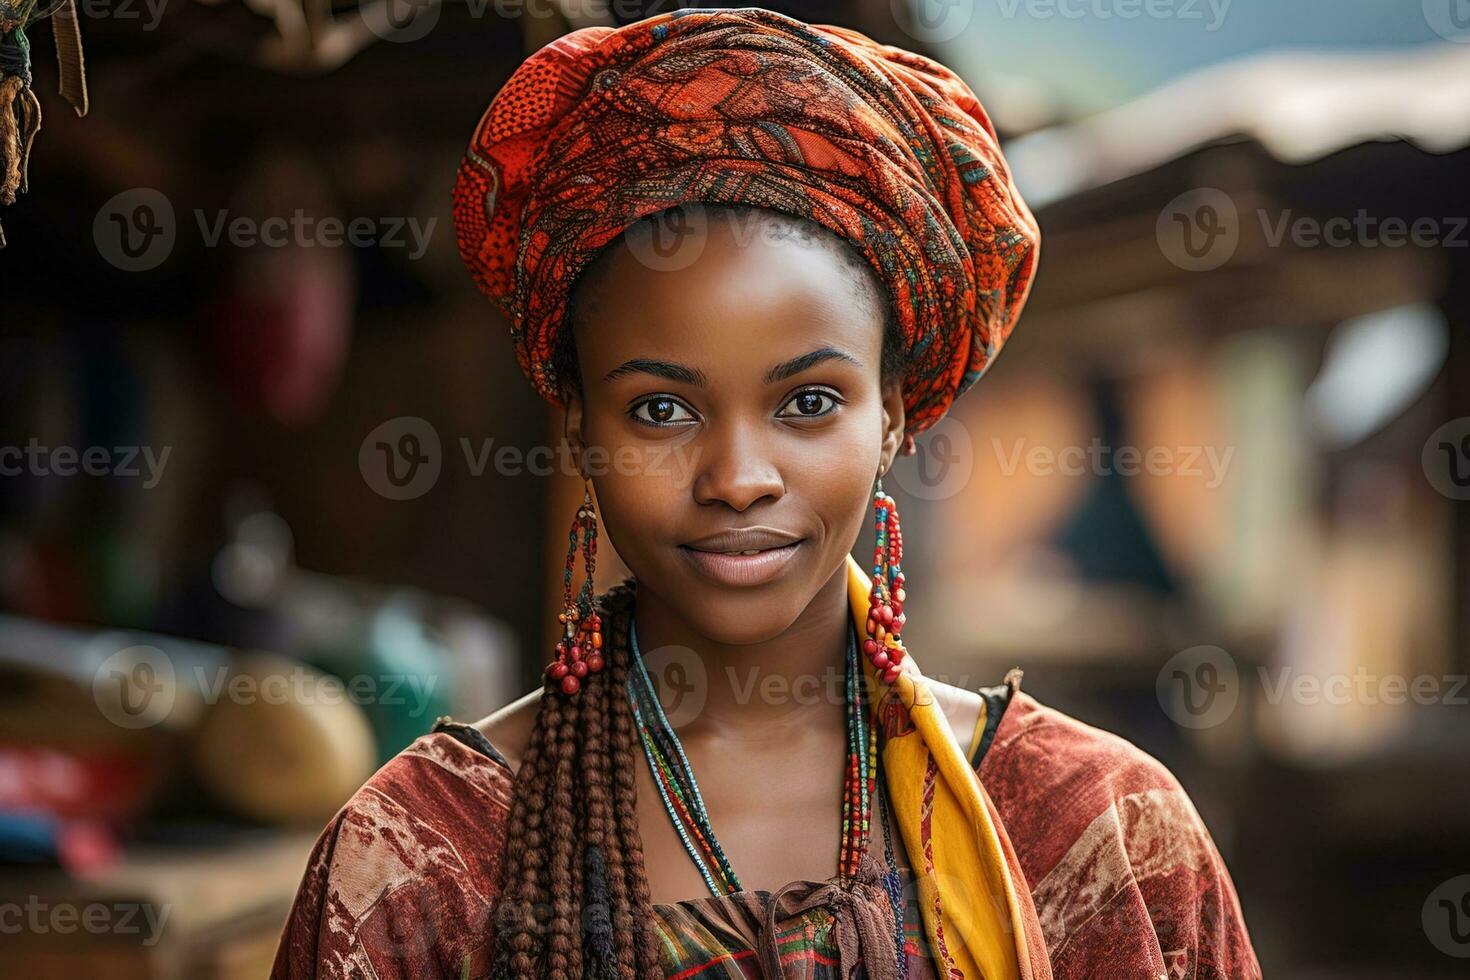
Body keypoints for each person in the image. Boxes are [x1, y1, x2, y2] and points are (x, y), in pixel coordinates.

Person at [271, 8, 1261, 979]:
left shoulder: (1101, 838)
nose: (739, 476)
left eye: (810, 400)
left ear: (896, 414)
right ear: (575, 420)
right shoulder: (417, 865)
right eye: (661, 408)